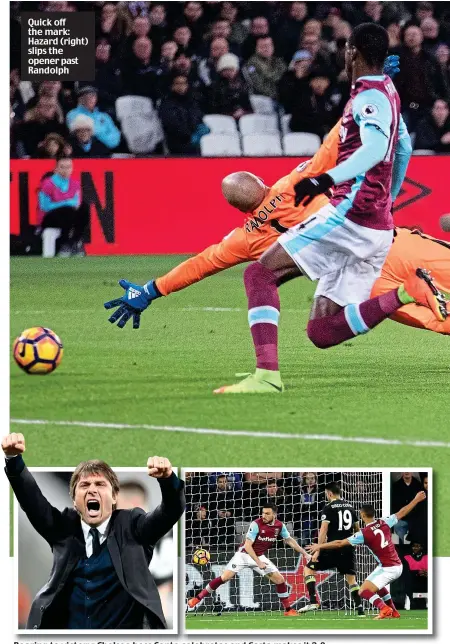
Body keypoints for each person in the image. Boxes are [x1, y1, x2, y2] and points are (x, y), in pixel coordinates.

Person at [103, 53, 448, 342]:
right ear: (260, 181)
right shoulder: (293, 184)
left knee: (435, 317)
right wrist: (373, 85)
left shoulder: (246, 238)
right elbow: (337, 137)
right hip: (389, 245)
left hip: (361, 279)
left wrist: (150, 290)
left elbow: (201, 264)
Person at [210, 23, 446, 393]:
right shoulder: (387, 91)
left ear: (352, 52)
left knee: (259, 275)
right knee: (321, 332)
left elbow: (373, 148)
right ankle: (407, 291)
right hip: (375, 226)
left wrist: (325, 179)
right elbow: (401, 147)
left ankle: (266, 376)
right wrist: (389, 199)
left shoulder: (371, 96)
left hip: (349, 217)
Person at [2, 432, 185, 630]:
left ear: (115, 497)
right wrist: (14, 461)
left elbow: (171, 511)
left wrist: (168, 480)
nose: (92, 490)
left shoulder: (133, 526)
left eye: (100, 484)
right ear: (74, 499)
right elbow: (32, 501)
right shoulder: (64, 527)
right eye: (84, 485)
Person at [307, 491, 427, 620]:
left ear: (362, 515)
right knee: (376, 586)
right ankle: (394, 611)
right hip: (396, 565)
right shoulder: (385, 522)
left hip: (388, 568)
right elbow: (402, 512)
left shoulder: (364, 533)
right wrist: (416, 499)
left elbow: (339, 543)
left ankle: (384, 608)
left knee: (363, 591)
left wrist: (319, 546)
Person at [187, 503, 310, 616]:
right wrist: (258, 562)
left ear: (274, 514)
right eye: (263, 513)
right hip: (244, 555)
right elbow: (247, 546)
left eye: (267, 513)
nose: (264, 516)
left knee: (280, 580)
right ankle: (197, 599)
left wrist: (305, 553)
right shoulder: (256, 524)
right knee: (225, 578)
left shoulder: (279, 526)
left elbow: (289, 540)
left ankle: (288, 610)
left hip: (259, 556)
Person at [300, 482, 364, 615]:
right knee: (352, 580)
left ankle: (313, 602)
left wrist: (317, 550)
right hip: (347, 547)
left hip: (332, 548)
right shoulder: (351, 507)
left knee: (308, 569)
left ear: (329, 493)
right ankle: (360, 610)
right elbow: (357, 530)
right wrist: (353, 544)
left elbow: (323, 531)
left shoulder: (328, 507)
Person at [37, 156, 89, 257]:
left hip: (68, 218)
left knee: (84, 208)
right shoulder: (47, 184)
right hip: (49, 219)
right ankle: (65, 243)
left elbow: (77, 203)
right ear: (56, 169)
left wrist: (69, 204)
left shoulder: (75, 184)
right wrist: (67, 203)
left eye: (68, 167)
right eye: (62, 167)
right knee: (68, 210)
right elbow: (44, 207)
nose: (65, 170)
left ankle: (74, 241)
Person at [159, 75, 204, 155]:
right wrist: (189, 136)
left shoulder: (192, 101)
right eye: (178, 83)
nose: (181, 86)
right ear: (172, 86)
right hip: (177, 143)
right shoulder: (167, 103)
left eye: (184, 83)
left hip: (195, 140)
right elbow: (171, 124)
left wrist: (199, 129)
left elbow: (198, 117)